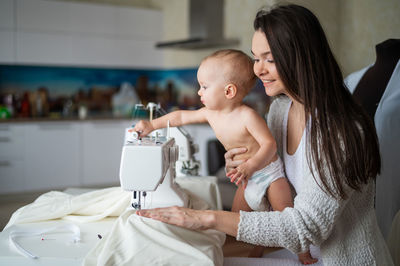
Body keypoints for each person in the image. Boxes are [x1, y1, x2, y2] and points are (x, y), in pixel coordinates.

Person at [136, 4, 394, 265]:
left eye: (269, 59)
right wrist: (244, 161)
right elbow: (278, 183)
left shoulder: (339, 132)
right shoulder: (280, 110)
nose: (257, 70)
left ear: (301, 58)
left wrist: (206, 218)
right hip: (294, 252)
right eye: (255, 58)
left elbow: (304, 229)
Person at [133, 49, 315, 264]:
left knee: (283, 212)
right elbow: (181, 116)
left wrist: (252, 166)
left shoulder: (248, 116)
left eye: (204, 87)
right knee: (239, 219)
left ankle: (304, 255)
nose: (199, 92)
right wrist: (152, 124)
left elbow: (269, 144)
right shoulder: (210, 113)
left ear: (228, 91)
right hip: (246, 178)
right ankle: (254, 249)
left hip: (269, 174)